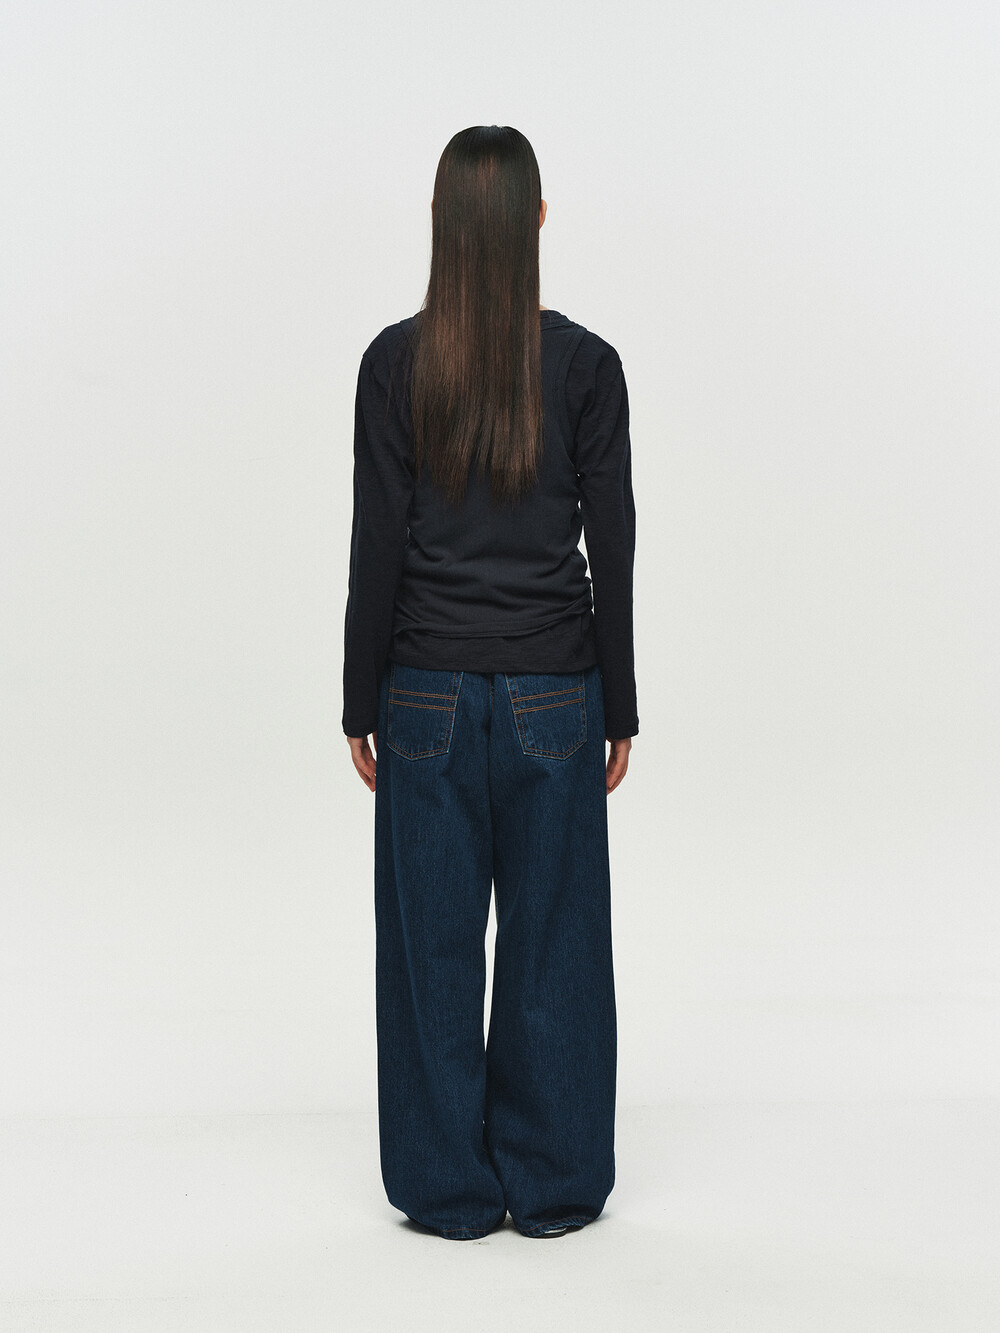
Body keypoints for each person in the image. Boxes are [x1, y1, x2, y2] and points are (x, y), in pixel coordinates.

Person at [342, 125, 638, 1241]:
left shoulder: (393, 362)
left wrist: (359, 700)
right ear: (537, 221)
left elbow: (378, 543)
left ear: (440, 224)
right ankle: (554, 1184)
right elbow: (613, 544)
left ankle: (446, 1190)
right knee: (556, 942)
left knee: (429, 946)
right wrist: (619, 704)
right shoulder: (587, 366)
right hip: (555, 693)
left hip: (422, 693)